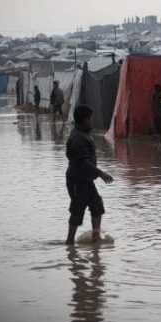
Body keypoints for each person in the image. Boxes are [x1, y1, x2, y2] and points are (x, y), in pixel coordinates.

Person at [65, 104, 113, 244]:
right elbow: (82, 162)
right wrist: (100, 173)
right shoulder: (78, 138)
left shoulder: (82, 134)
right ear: (85, 119)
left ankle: (96, 238)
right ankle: (70, 242)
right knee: (77, 210)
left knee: (97, 206)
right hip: (77, 180)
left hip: (86, 179)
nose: (91, 121)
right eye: (90, 119)